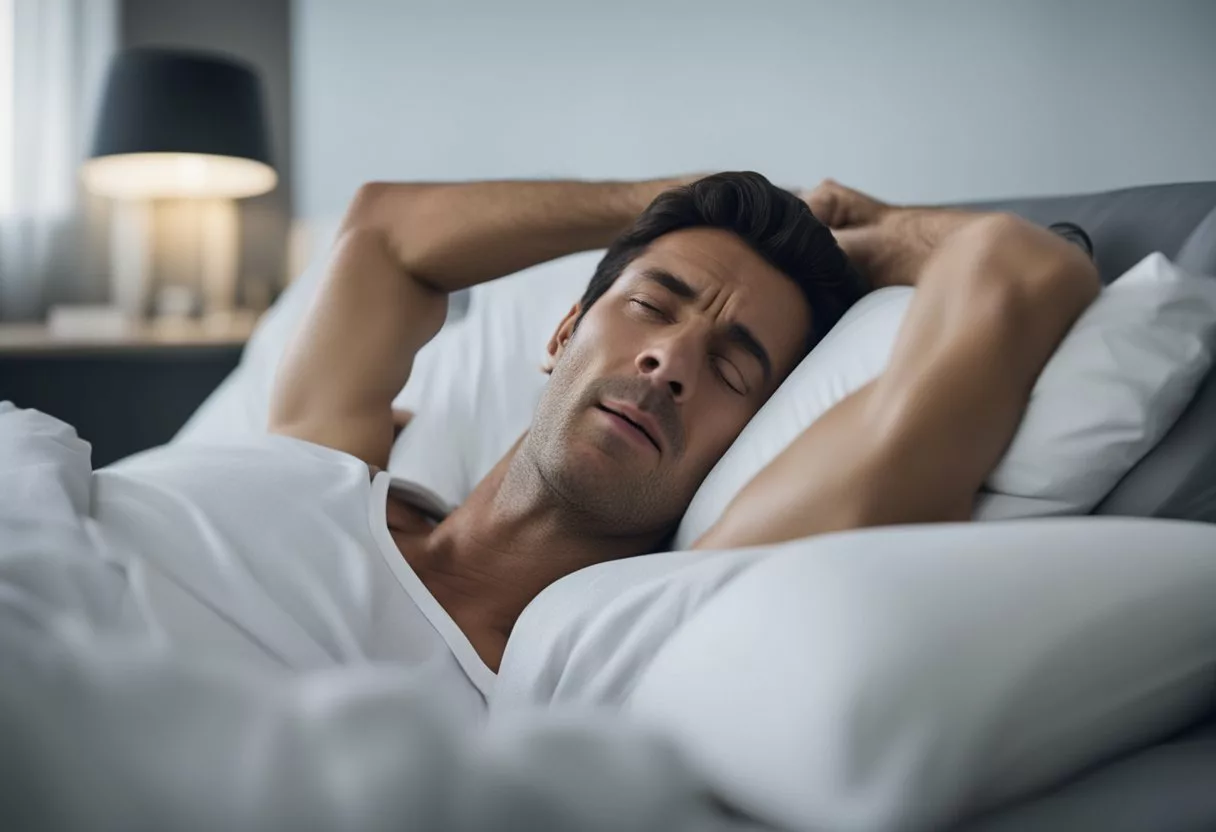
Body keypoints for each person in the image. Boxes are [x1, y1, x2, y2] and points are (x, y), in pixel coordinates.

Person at [266, 171, 1099, 677]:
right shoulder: (327, 472)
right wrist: (668, 201)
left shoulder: (622, 637)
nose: (670, 362)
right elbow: (383, 231)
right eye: (649, 305)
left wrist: (870, 245)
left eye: (732, 366)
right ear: (562, 335)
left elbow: (1021, 272)